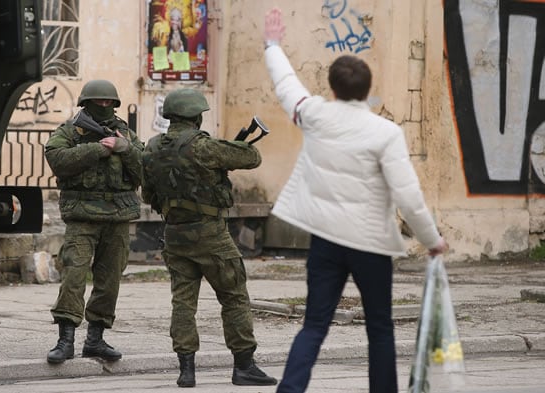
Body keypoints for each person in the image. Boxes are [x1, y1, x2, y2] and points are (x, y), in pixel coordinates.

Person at [262, 7, 449, 393]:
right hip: (370, 245)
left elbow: (287, 86)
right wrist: (431, 240)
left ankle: (290, 389)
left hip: (325, 241)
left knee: (314, 324)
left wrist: (273, 44)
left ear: (331, 89)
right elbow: (408, 195)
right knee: (379, 328)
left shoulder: (313, 114)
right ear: (367, 90)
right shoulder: (385, 133)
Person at [142, 88, 277, 388]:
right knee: (234, 297)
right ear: (196, 116)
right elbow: (251, 156)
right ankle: (244, 366)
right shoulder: (204, 147)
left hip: (174, 235)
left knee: (183, 303)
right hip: (210, 235)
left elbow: (148, 194)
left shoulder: (150, 148)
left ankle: (186, 370)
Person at [45, 79, 144, 364]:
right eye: (98, 102)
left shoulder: (124, 133)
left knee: (109, 280)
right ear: (85, 103)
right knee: (74, 276)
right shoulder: (71, 131)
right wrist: (97, 150)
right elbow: (57, 159)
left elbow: (143, 171)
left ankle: (96, 339)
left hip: (117, 217)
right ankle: (65, 340)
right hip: (82, 217)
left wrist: (124, 148)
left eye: (108, 102)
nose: (104, 106)